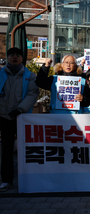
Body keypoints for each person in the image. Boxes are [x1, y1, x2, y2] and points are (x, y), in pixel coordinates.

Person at [0, 48, 39, 191]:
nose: (15, 57)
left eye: (18, 55)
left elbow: (32, 93)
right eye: (12, 55)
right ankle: (6, 180)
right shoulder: (1, 74)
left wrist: (20, 109)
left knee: (26, 149)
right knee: (6, 149)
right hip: (4, 117)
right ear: (7, 57)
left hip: (22, 116)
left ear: (22, 58)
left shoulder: (30, 75)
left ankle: (27, 179)